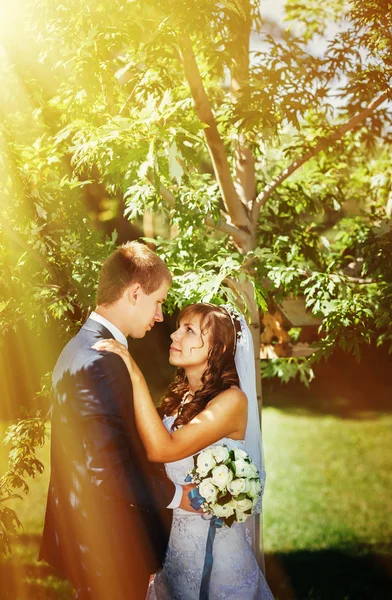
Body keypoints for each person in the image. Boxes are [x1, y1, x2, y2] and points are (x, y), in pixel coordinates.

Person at [39, 241, 194, 600]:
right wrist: (176, 497)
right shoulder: (102, 360)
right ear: (135, 292)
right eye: (157, 302)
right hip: (111, 543)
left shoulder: (78, 346)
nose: (159, 316)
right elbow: (106, 468)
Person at [94, 302, 275, 599]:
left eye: (189, 330)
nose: (174, 336)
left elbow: (162, 449)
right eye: (179, 327)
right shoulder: (181, 396)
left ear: (218, 348)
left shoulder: (232, 401)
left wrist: (134, 374)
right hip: (172, 551)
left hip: (217, 562)